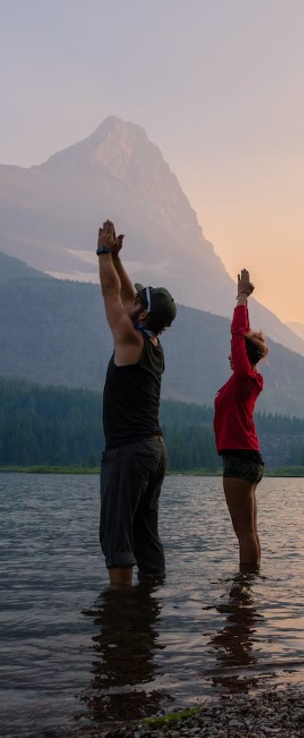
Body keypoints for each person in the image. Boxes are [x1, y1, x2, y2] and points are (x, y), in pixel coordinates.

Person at [96, 219, 177, 587]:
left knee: (119, 539)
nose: (134, 302)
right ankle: (148, 612)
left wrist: (102, 254)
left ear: (143, 316)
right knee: (145, 534)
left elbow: (113, 297)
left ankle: (122, 623)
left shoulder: (130, 340)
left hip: (129, 451)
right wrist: (117, 257)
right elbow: (131, 299)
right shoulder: (154, 343)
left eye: (139, 303)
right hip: (154, 450)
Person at [213, 269, 268, 573]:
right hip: (247, 458)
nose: (230, 356)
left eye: (235, 353)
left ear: (242, 356)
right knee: (249, 531)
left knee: (243, 532)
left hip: (239, 459)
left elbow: (237, 334)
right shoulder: (244, 381)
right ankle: (249, 589)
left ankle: (244, 590)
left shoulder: (245, 376)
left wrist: (242, 297)